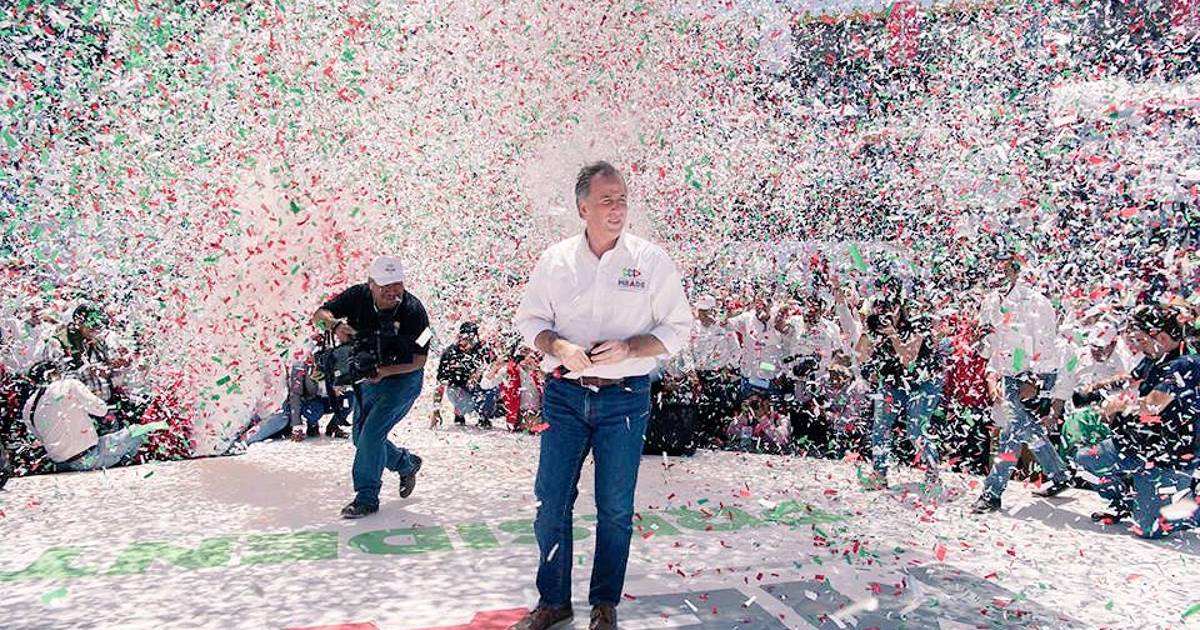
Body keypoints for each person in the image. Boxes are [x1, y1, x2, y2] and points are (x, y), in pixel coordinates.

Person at [509, 161, 692, 630]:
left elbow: (677, 328)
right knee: (551, 500)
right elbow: (531, 322)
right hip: (564, 395)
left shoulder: (650, 261)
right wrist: (559, 347)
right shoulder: (555, 261)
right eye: (606, 200)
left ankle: (604, 604)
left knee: (614, 507)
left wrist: (631, 348)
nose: (617, 209)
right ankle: (553, 601)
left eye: (623, 199)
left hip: (625, 397)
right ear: (582, 207)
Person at [312, 255, 432, 519]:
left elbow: (420, 360)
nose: (392, 290)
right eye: (385, 285)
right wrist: (336, 325)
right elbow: (318, 316)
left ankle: (366, 498)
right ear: (370, 284)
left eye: (397, 283)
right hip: (368, 378)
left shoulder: (415, 311)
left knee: (372, 433)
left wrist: (385, 371)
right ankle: (406, 463)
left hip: (403, 378)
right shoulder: (357, 296)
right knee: (360, 438)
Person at [1075, 305, 1200, 536]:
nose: (1137, 346)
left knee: (1150, 529)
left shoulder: (1186, 363)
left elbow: (1153, 404)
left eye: (1141, 340)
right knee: (1085, 460)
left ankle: (1189, 508)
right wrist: (1097, 387)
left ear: (1162, 337)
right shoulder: (1155, 355)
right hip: (1138, 443)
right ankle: (1124, 504)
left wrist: (1116, 404)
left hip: (1168, 455)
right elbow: (1131, 377)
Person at [972, 254, 1071, 513]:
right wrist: (983, 345)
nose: (999, 274)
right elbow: (989, 348)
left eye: (1005, 269)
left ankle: (992, 494)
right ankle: (1059, 474)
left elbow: (1047, 346)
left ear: (1016, 272)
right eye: (995, 269)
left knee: (1012, 432)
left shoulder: (1038, 302)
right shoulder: (989, 303)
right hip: (1009, 375)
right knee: (1023, 429)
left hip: (1035, 373)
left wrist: (1035, 381)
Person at [861, 297, 943, 489]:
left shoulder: (918, 323)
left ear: (899, 308)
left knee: (915, 430)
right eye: (880, 309)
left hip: (923, 384)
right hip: (893, 383)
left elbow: (908, 359)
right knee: (880, 427)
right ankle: (879, 474)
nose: (884, 313)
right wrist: (868, 356)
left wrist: (892, 334)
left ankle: (932, 473)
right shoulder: (876, 328)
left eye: (888, 308)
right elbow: (860, 354)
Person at [20, 362, 163, 472]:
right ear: (54, 374)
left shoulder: (28, 407)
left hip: (61, 464)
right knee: (140, 431)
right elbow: (101, 410)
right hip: (88, 459)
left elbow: (41, 437)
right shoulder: (69, 385)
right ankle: (123, 466)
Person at [244, 357, 350, 444]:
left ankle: (334, 425)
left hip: (283, 403)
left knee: (349, 398)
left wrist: (339, 387)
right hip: (280, 403)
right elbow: (295, 394)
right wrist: (296, 424)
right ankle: (244, 440)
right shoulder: (299, 365)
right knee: (283, 419)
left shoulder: (334, 360)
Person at [688, 294, 741, 447]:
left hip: (718, 374)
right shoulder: (693, 328)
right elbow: (687, 350)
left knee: (719, 407)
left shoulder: (724, 327)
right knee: (699, 407)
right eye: (700, 310)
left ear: (712, 310)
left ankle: (716, 437)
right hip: (698, 374)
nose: (702, 314)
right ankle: (699, 438)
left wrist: (728, 367)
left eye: (705, 311)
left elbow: (736, 350)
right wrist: (691, 370)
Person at [432, 322, 497, 428]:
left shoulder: (483, 350)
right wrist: (436, 411)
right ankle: (459, 412)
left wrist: (480, 373)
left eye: (472, 339)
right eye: (466, 338)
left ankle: (484, 415)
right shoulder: (450, 353)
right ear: (460, 337)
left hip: (479, 388)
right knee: (460, 395)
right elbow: (440, 383)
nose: (469, 342)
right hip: (457, 389)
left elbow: (495, 368)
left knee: (492, 388)